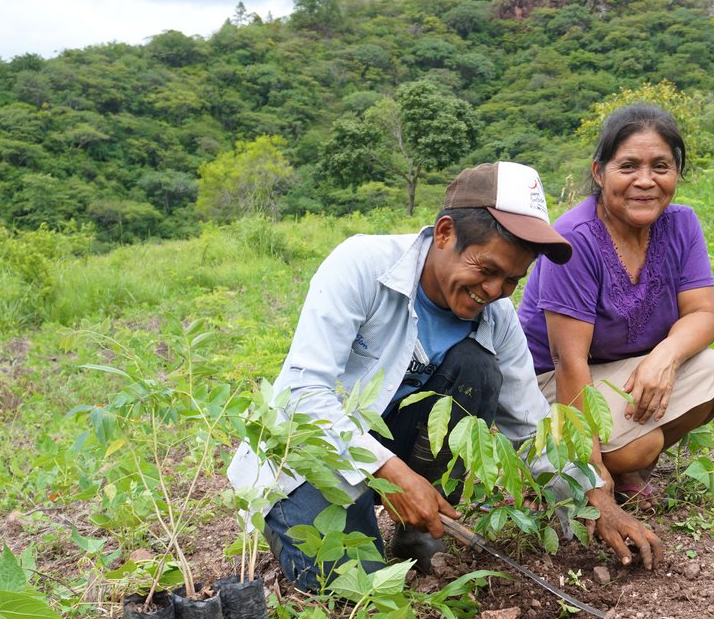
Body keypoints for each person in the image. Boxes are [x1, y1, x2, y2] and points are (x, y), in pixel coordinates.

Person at [227, 161, 663, 592]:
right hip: (307, 456)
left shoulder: (496, 318)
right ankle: (354, 518)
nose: (493, 291)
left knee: (477, 369)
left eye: (512, 279)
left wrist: (596, 499)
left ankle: (419, 529)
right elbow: (304, 396)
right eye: (486, 269)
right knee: (362, 590)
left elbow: (530, 427)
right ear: (445, 233)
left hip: (392, 444)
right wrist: (390, 472)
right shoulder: (362, 266)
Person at [517, 105, 714, 510]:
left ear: (676, 174)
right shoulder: (575, 238)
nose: (646, 181)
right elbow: (568, 362)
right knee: (641, 446)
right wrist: (591, 480)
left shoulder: (681, 224)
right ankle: (601, 466)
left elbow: (703, 312)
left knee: (710, 372)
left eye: (661, 166)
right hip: (547, 383)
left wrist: (664, 356)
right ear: (600, 173)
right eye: (628, 166)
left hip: (621, 372)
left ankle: (623, 459)